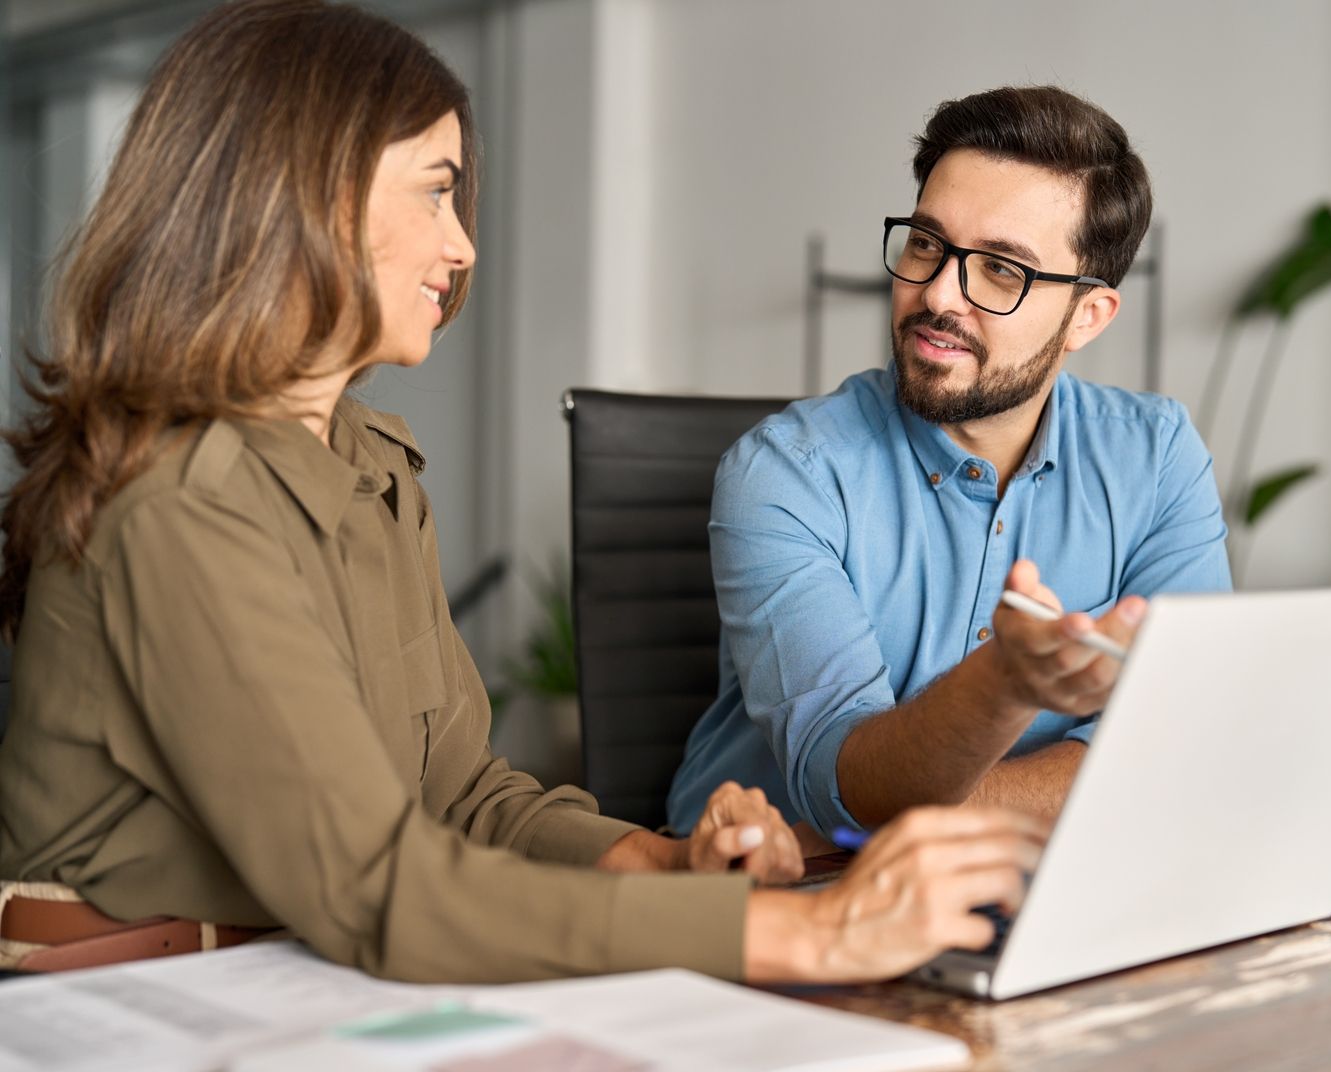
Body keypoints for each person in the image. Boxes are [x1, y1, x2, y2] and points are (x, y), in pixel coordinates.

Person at [0, 0, 1045, 984]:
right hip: (125, 995)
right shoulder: (182, 495)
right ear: (307, 190)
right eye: (434, 188)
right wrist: (812, 931)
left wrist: (653, 862)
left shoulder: (370, 467)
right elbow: (379, 889)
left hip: (289, 971)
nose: (461, 245)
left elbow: (461, 792)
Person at [668, 86, 1231, 844]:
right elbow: (843, 783)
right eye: (927, 243)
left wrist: (947, 814)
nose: (936, 294)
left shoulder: (1155, 457)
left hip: (1033, 884)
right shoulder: (785, 473)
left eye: (1002, 270)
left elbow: (1182, 740)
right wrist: (1007, 686)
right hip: (780, 898)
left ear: (1087, 318)